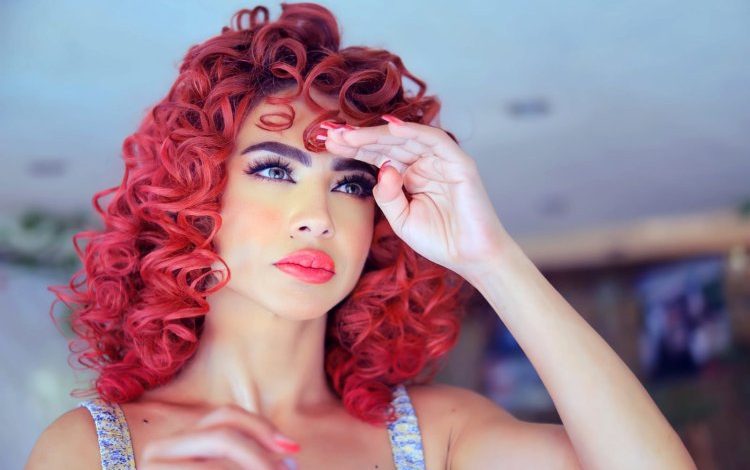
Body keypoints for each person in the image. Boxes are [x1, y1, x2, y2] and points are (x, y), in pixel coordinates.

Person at [27, 3, 696, 469]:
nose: (318, 215)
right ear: (196, 198)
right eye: (273, 170)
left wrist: (491, 258)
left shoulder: (442, 436)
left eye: (349, 183)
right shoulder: (89, 451)